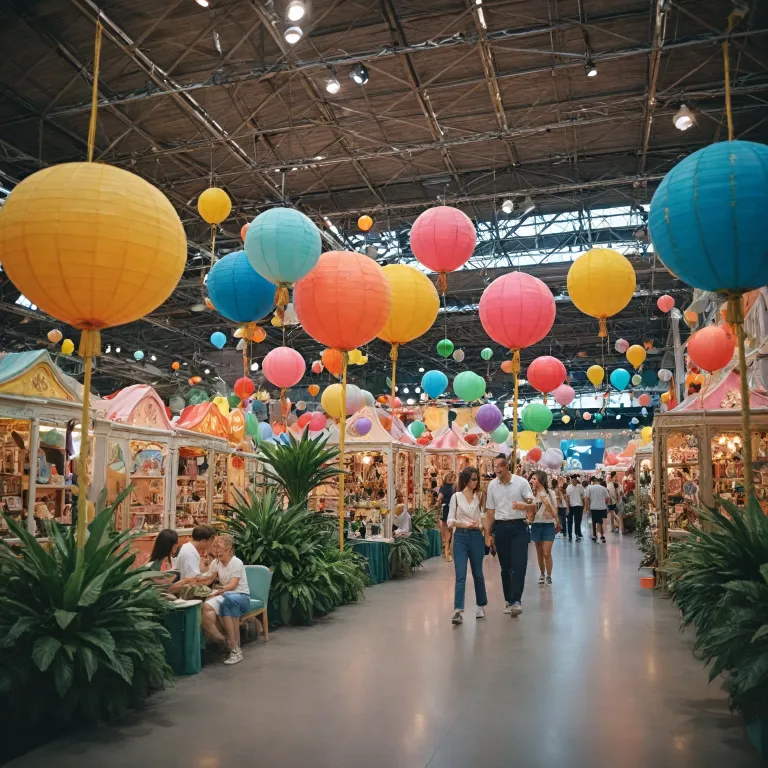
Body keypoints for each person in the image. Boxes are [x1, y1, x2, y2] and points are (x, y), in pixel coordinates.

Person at [486, 454, 535, 617]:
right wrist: (488, 534)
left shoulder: (521, 482)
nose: (497, 469)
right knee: (505, 567)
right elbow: (490, 512)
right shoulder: (492, 486)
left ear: (507, 466)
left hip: (519, 528)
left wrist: (523, 505)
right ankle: (508, 599)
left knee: (519, 564)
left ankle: (516, 601)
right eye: (495, 466)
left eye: (500, 466)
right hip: (500, 528)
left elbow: (533, 504)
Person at [198, 534, 252, 666]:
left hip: (241, 596)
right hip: (225, 594)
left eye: (219, 547)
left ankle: (235, 650)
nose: (216, 550)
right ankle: (226, 640)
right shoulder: (216, 563)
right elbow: (209, 579)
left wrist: (217, 592)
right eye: (215, 547)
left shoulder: (237, 563)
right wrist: (195, 581)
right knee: (205, 608)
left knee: (228, 601)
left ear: (229, 549)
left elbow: (232, 586)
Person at [447, 467, 488, 625]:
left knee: (478, 573)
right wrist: (464, 524)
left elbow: (483, 516)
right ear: (465, 480)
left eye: (476, 479)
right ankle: (458, 610)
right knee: (460, 574)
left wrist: (483, 528)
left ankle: (481, 605)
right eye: (472, 479)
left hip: (477, 536)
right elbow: (450, 520)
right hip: (461, 537)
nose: (475, 482)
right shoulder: (456, 497)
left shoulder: (480, 496)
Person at [530, 471, 557, 585]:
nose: (532, 481)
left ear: (541, 480)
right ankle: (542, 573)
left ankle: (549, 575)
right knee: (539, 552)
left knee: (547, 552)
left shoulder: (550, 493)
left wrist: (547, 504)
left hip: (548, 525)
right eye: (532, 479)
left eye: (534, 479)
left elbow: (555, 510)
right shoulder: (531, 494)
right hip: (536, 524)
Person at [436, 471, 456, 561]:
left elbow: (439, 497)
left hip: (445, 508)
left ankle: (445, 545)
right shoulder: (454, 487)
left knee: (444, 527)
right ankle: (448, 549)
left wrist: (438, 503)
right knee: (450, 529)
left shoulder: (443, 487)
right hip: (452, 508)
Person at [586, 476, 610, 543]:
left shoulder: (590, 488)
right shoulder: (603, 488)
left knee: (594, 522)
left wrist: (588, 507)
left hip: (593, 507)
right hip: (602, 507)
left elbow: (588, 498)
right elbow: (607, 497)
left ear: (593, 482)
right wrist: (605, 503)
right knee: (600, 522)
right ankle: (602, 536)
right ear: (599, 482)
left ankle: (594, 535)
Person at [565, 475, 584, 542]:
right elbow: (567, 498)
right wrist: (567, 507)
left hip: (578, 506)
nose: (572, 482)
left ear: (576, 480)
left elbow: (583, 496)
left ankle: (577, 535)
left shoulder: (580, 486)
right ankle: (570, 535)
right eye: (571, 480)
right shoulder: (569, 487)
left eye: (573, 480)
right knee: (570, 521)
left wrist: (584, 506)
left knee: (577, 521)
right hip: (571, 506)